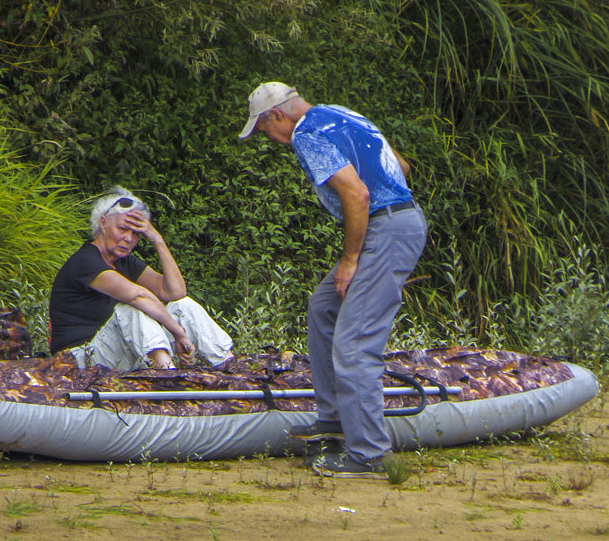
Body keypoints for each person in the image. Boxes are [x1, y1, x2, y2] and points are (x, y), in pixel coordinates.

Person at [239, 82, 427, 478]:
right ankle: (336, 418)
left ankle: (369, 455)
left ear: (277, 116)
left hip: (385, 229)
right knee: (324, 307)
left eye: (262, 130)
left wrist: (350, 259)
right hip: (396, 221)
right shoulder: (342, 113)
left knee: (355, 342)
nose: (266, 140)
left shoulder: (307, 133)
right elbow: (401, 167)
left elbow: (356, 196)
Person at [49, 187, 234, 371]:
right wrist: (178, 333)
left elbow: (175, 292)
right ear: (103, 223)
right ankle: (169, 378)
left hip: (115, 353)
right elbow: (138, 296)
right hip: (78, 359)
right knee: (131, 310)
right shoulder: (85, 261)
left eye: (136, 233)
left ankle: (231, 368)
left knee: (183, 306)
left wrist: (157, 240)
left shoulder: (124, 262)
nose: (128, 238)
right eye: (122, 229)